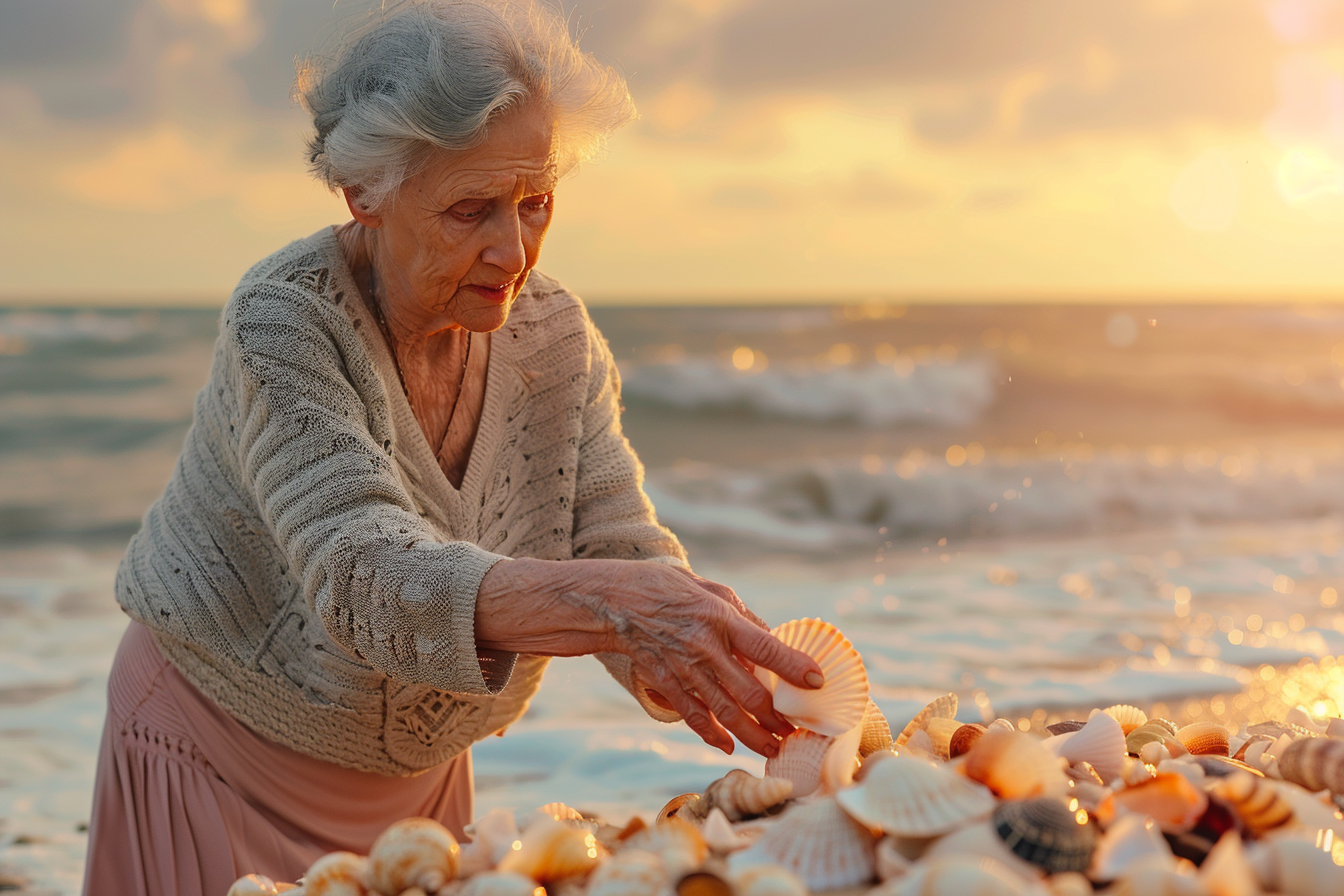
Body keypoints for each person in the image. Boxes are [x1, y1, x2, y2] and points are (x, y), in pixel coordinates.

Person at [80, 2, 824, 893]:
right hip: (215, 745)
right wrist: (615, 604)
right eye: (472, 209)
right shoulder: (283, 320)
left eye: (536, 203)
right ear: (366, 193)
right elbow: (360, 570)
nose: (514, 249)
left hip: (424, 782)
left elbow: (616, 544)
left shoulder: (555, 333)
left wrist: (697, 660)